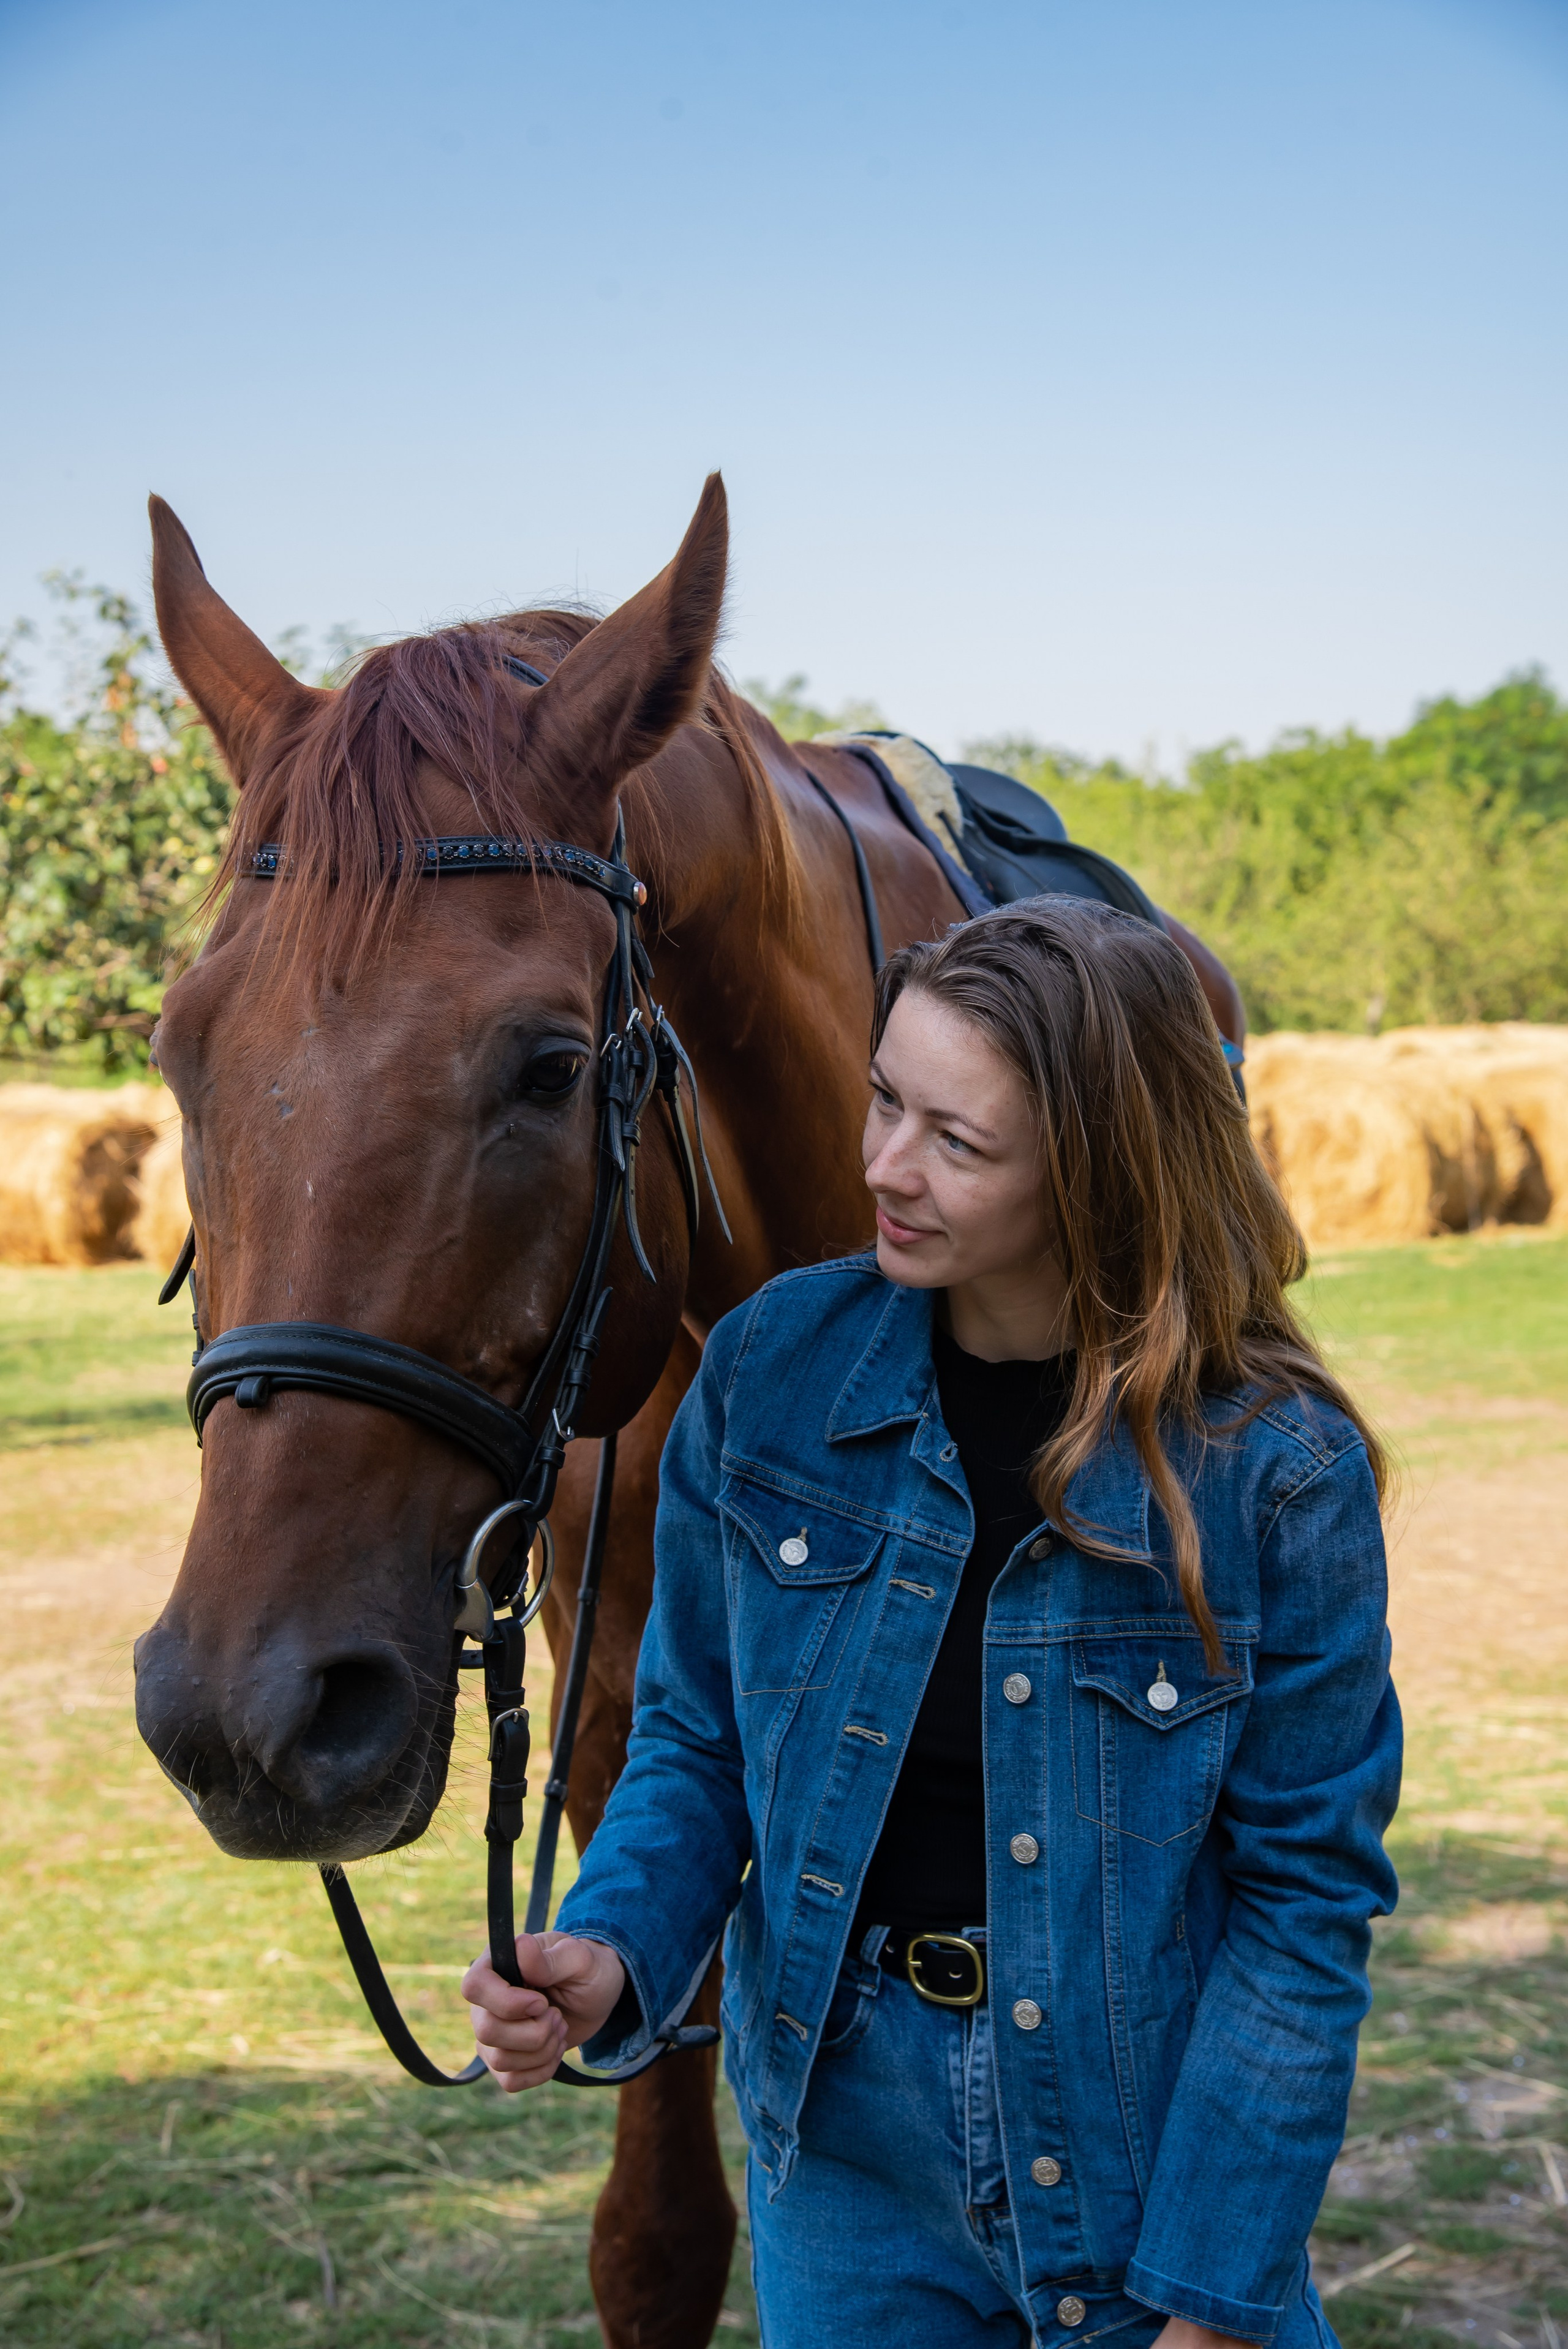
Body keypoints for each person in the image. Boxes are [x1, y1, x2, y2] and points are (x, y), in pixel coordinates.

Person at [462, 895, 1400, 2349]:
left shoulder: (1276, 1475)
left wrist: (1211, 2309)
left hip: (1147, 2155)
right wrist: (613, 1946)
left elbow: (1301, 1907)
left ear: (1098, 1171)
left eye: (954, 1141)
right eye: (883, 1100)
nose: (884, 1168)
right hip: (842, 2154)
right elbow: (701, 1739)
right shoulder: (769, 1369)